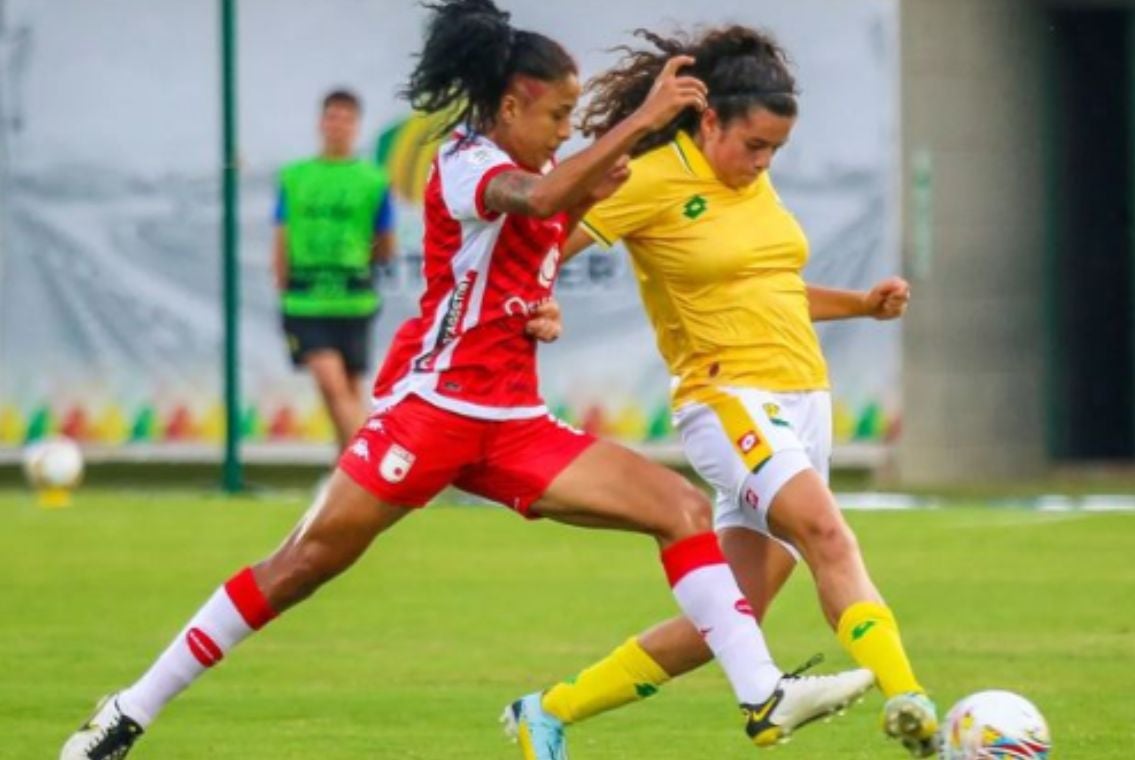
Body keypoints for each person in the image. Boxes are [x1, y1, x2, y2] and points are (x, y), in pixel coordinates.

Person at [58, 3, 871, 758]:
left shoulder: (546, 161)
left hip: (513, 422)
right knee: (301, 567)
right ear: (511, 105)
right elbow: (542, 197)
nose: (563, 129)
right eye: (556, 113)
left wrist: (538, 305)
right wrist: (643, 120)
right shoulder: (465, 161)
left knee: (681, 508)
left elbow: (539, 240)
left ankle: (762, 694)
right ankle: (128, 710)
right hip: (430, 413)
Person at [505, 25, 940, 759]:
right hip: (727, 398)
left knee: (729, 620)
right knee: (829, 535)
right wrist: (537, 303)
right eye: (755, 146)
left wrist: (862, 305)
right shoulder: (648, 180)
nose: (763, 163)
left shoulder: (749, 179)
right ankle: (913, 706)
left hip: (802, 405)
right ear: (710, 121)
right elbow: (539, 247)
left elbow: (771, 289)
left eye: (775, 151)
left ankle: (544, 712)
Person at [274, 89, 397, 450]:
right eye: (332, 117)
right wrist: (282, 282)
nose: (337, 126)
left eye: (346, 119)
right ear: (320, 122)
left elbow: (384, 240)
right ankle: (367, 464)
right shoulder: (295, 177)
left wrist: (365, 258)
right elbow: (281, 234)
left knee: (347, 388)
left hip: (353, 298)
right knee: (330, 382)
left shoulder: (372, 180)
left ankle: (345, 470)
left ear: (356, 126)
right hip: (306, 298)